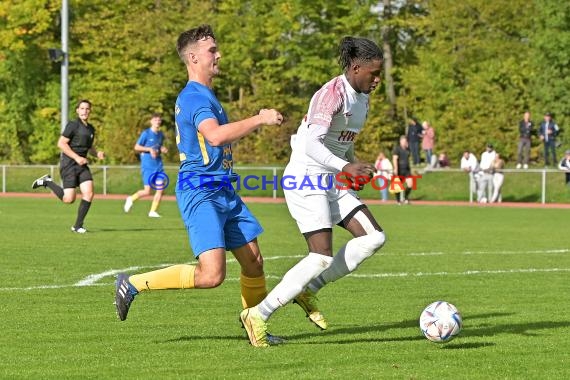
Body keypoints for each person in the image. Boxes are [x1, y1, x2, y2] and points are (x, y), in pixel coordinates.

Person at [114, 25, 284, 343]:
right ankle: (133, 283)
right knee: (211, 275)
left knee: (254, 263)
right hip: (201, 191)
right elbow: (216, 135)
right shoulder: (194, 97)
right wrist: (260, 118)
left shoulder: (205, 95)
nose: (218, 55)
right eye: (212, 51)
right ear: (193, 57)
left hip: (222, 189)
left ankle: (256, 329)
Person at [240, 36, 385, 347]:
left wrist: (351, 163)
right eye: (373, 73)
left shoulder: (362, 97)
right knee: (320, 255)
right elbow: (310, 144)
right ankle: (257, 315)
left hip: (330, 177)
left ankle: (307, 290)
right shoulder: (331, 94)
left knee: (374, 238)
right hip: (306, 177)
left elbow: (341, 141)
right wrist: (345, 168)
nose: (377, 79)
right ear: (356, 68)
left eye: (380, 73)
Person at [31, 99, 105, 233]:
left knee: (89, 193)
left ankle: (78, 226)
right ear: (77, 110)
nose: (85, 111)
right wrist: (76, 157)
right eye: (82, 108)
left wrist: (97, 153)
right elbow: (61, 143)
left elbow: (90, 148)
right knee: (68, 199)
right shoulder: (73, 125)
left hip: (82, 165)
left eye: (87, 108)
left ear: (90, 111)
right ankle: (47, 182)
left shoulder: (91, 129)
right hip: (69, 164)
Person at [123, 113, 168, 217]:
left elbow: (158, 147)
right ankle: (131, 198)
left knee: (160, 189)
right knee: (147, 191)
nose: (158, 122)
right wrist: (149, 149)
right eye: (156, 120)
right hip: (148, 166)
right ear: (151, 121)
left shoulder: (161, 134)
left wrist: (162, 149)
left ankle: (152, 211)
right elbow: (137, 147)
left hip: (158, 165)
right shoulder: (146, 133)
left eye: (159, 120)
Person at [392, 135, 414, 204]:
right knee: (398, 186)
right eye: (403, 141)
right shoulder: (397, 149)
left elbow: (409, 159)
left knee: (410, 184)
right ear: (400, 141)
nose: (404, 142)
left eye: (405, 141)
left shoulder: (408, 149)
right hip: (399, 170)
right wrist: (395, 169)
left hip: (407, 170)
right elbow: (395, 159)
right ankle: (398, 200)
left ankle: (405, 198)